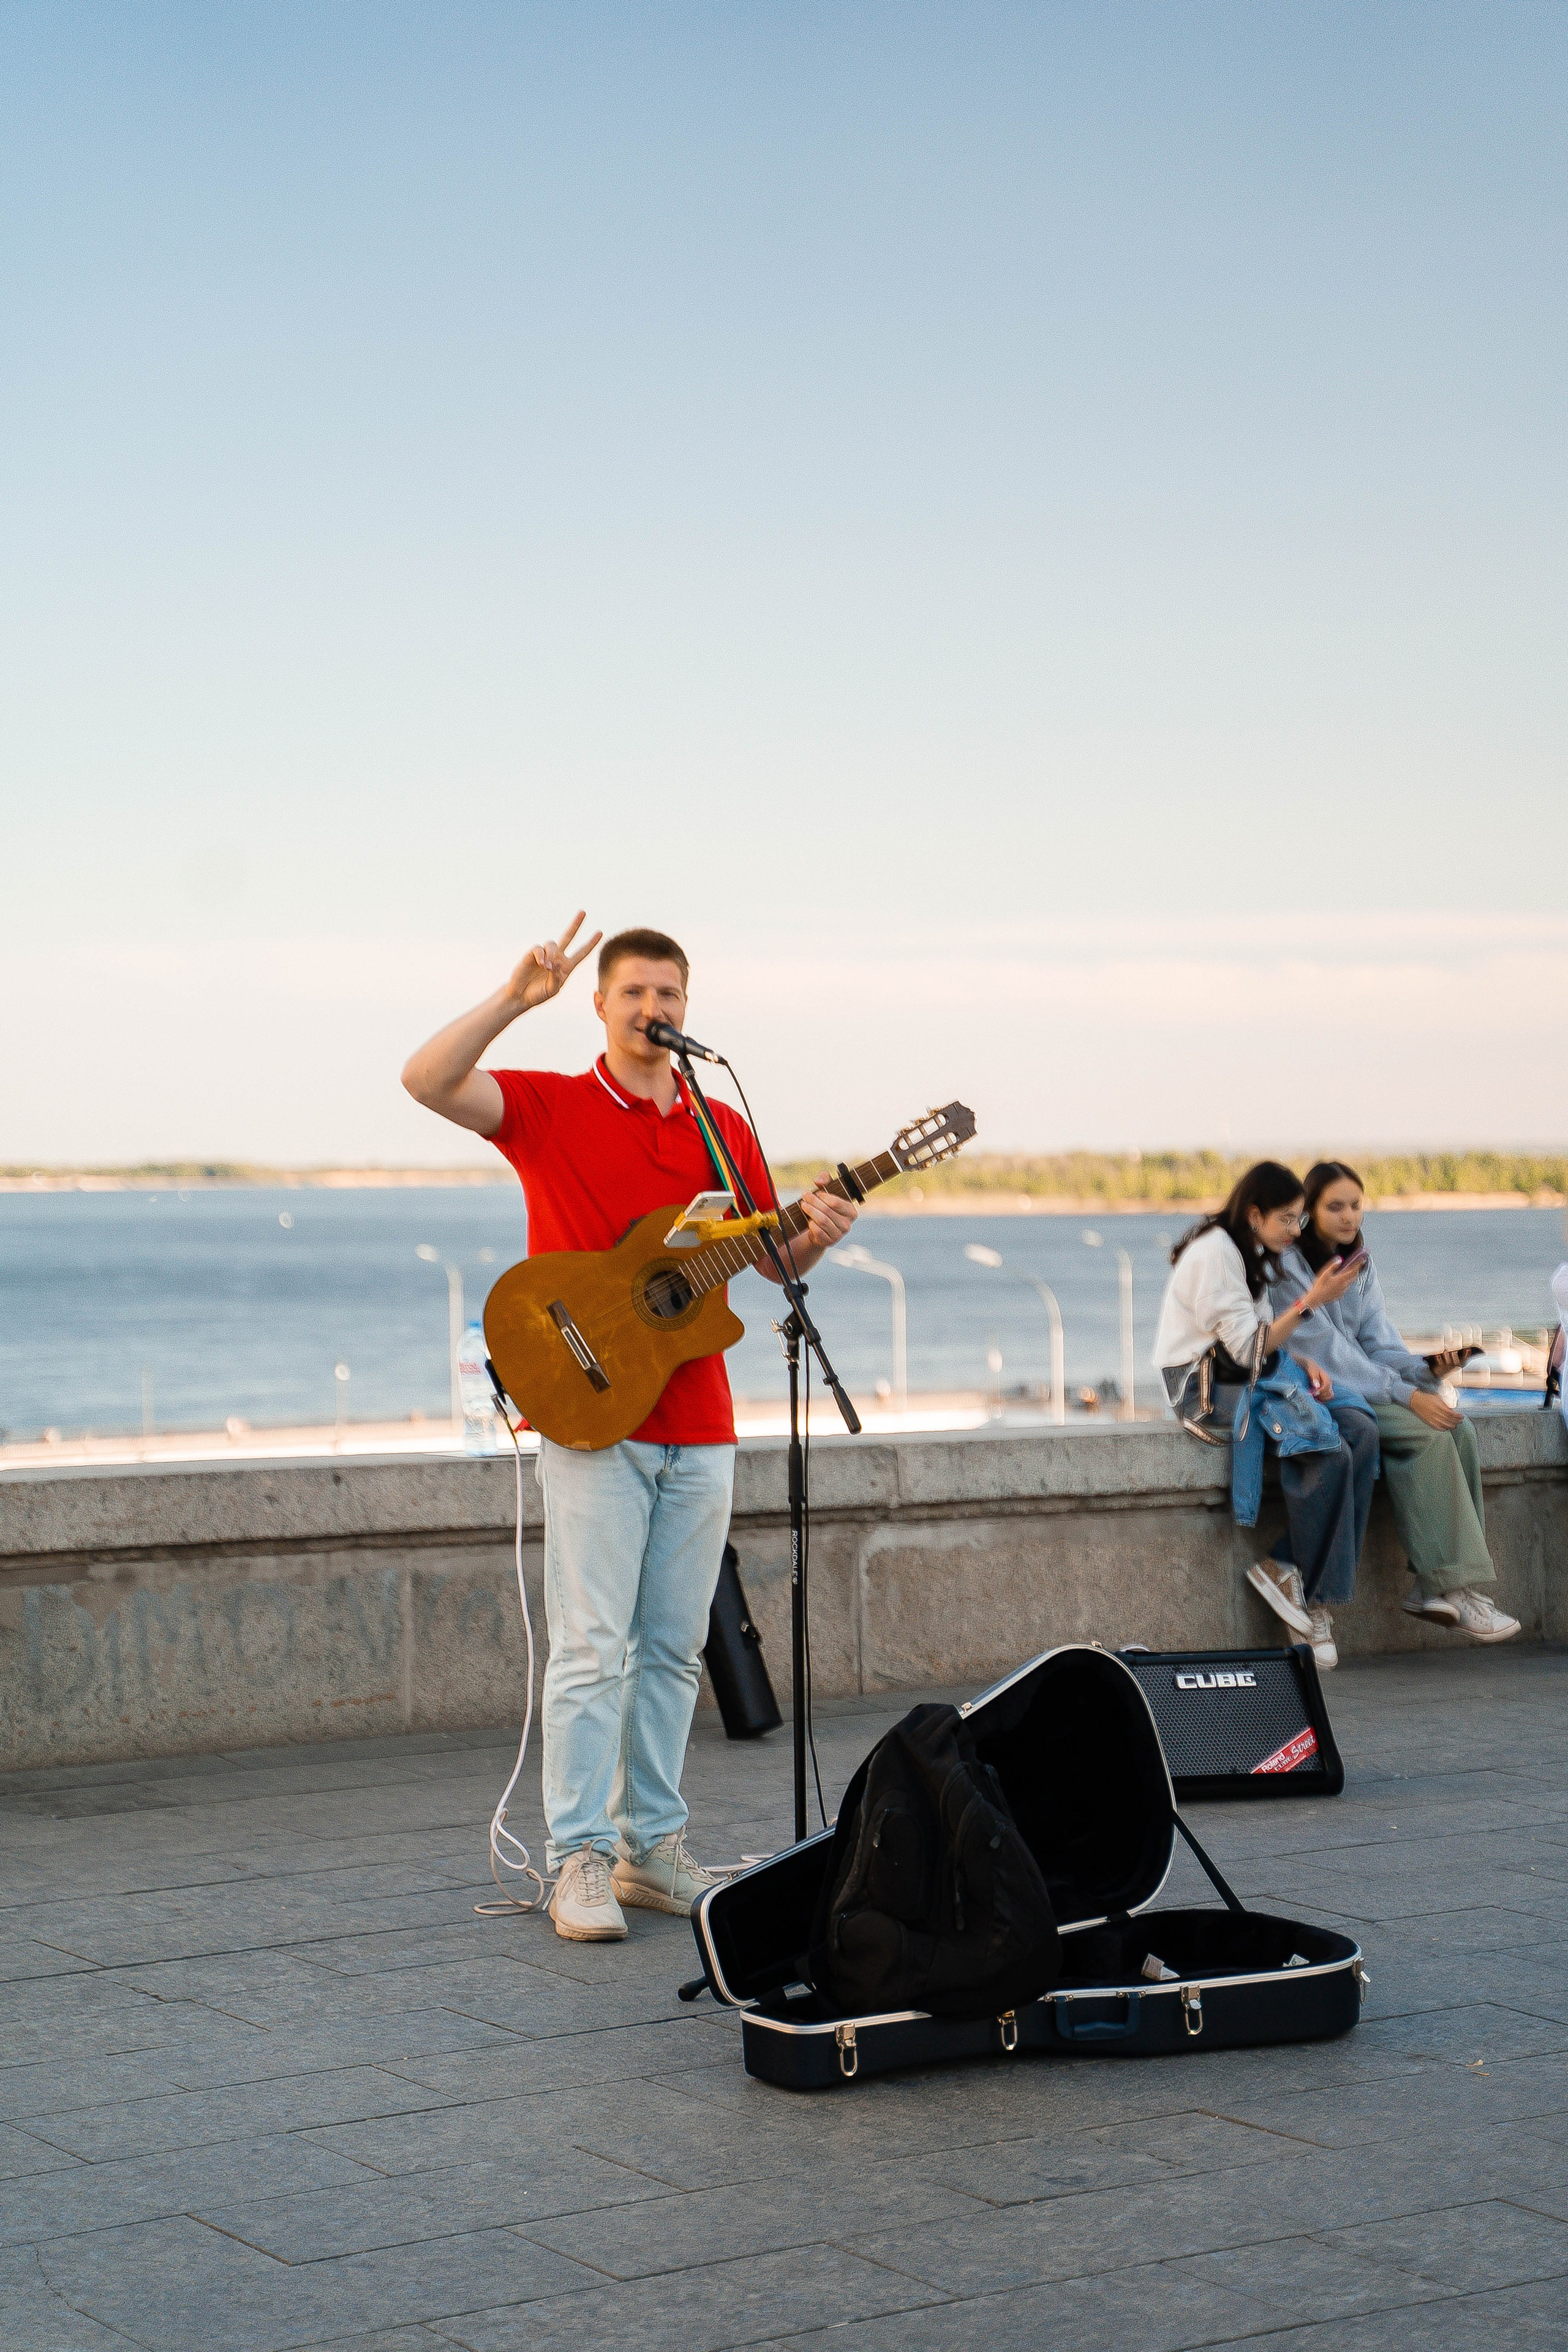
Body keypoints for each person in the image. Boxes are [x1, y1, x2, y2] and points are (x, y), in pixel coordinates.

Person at [402, 915, 857, 1941]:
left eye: (671, 994)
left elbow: (770, 1263)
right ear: (602, 1005)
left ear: (689, 1008)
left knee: (672, 1651)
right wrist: (513, 998)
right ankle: (578, 1858)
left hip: (702, 1422)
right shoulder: (550, 1106)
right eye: (637, 993)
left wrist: (818, 1236)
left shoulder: (720, 1127)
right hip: (592, 1415)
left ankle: (650, 1848)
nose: (656, 1009)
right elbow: (426, 1080)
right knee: (591, 1647)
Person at [1272, 1163, 1520, 1645]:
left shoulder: (1360, 1265)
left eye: (1355, 1205)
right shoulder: (1290, 1268)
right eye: (1335, 1206)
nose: (1348, 1216)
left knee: (1459, 1428)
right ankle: (1448, 1586)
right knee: (1428, 1433)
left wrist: (1427, 1369)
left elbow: (1376, 1344)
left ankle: (1436, 1586)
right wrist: (1409, 1395)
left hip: (1365, 1384)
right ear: (1309, 1211)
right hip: (1324, 1392)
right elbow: (1330, 1354)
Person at [1154, 1161, 1379, 1669]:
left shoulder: (1247, 1247)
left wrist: (1301, 1360)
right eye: (1287, 1219)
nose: (1296, 1230)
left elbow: (1257, 1343)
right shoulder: (1216, 1253)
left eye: (1300, 1219)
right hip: (1203, 1388)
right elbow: (1248, 1349)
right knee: (1328, 1449)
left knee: (1362, 1432)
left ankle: (1293, 1575)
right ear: (1255, 1215)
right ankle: (1306, 1594)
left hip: (1249, 1372)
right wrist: (1311, 1301)